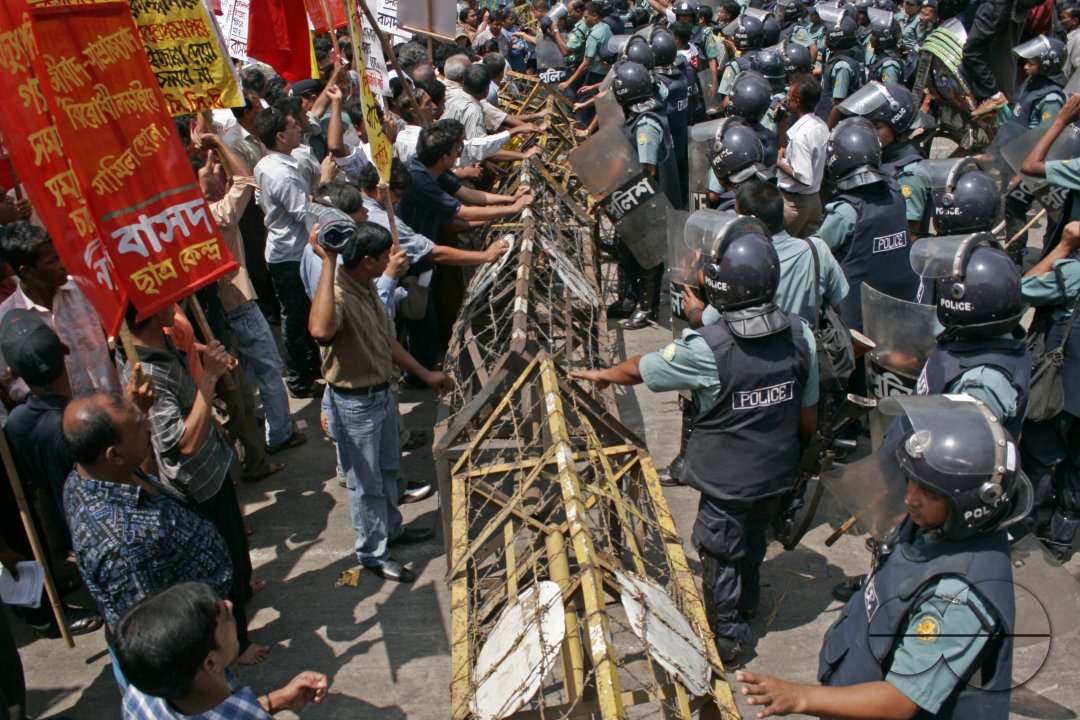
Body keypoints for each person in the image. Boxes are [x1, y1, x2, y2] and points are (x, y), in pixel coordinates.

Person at [573, 219, 818, 663]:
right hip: (777, 471)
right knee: (754, 538)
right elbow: (807, 414)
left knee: (719, 551)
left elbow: (643, 368)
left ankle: (726, 637)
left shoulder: (708, 348)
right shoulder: (801, 335)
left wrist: (604, 374)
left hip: (726, 481)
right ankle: (748, 602)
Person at [737, 395, 1025, 718]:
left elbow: (901, 699)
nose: (910, 498)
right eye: (911, 481)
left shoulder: (957, 599)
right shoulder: (933, 524)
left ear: (970, 506)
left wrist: (799, 697)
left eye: (929, 492)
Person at [120, 304, 267, 664]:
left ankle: (243, 592)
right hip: (195, 484)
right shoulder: (146, 371)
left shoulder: (165, 346)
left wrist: (210, 419)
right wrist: (209, 380)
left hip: (213, 469)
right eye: (165, 301)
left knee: (236, 548)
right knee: (220, 563)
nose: (174, 304)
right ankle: (237, 643)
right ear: (149, 313)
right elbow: (182, 443)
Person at [308, 221, 449, 583]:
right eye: (384, 256)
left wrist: (424, 373)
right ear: (367, 261)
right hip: (354, 405)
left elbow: (388, 342)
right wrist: (327, 261)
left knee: (389, 471)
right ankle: (373, 552)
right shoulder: (338, 293)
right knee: (366, 484)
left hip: (380, 394)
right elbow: (321, 332)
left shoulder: (367, 287)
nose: (391, 260)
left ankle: (392, 529)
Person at [62, 392, 234, 657]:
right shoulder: (123, 547)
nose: (148, 425)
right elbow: (157, 637)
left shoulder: (97, 473)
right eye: (138, 425)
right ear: (114, 454)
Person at [197, 131, 305, 470]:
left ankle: (250, 450)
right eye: (212, 173)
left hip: (213, 311)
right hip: (239, 302)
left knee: (238, 383)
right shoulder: (219, 215)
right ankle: (281, 433)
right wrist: (216, 142)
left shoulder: (186, 222)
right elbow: (244, 177)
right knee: (269, 368)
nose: (219, 173)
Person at [117, 582, 328, 719]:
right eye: (223, 617)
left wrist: (278, 700)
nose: (229, 605)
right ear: (210, 663)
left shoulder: (141, 694)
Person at [813, 117, 917, 333]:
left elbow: (814, 254)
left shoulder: (845, 212)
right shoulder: (896, 194)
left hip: (857, 319)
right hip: (902, 307)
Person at [1018, 221, 1080, 561]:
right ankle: (1062, 535)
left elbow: (1020, 289)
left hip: (1061, 384)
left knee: (1041, 454)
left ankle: (1026, 522)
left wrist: (1063, 247)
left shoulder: (1071, 273)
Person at [0, 223, 118, 402]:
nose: (63, 264)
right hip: (64, 422)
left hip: (112, 403)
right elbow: (11, 382)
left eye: (60, 255)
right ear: (27, 271)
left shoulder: (83, 289)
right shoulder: (7, 319)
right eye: (52, 261)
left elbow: (112, 335)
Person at [254, 106, 323, 399]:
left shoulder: (269, 164)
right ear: (280, 136)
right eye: (294, 125)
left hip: (285, 250)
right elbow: (304, 214)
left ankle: (307, 371)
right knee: (296, 318)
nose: (300, 128)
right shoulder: (283, 174)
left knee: (300, 314)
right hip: (292, 255)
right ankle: (299, 379)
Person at [608, 60, 682, 329]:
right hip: (634, 198)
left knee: (647, 256)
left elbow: (646, 169)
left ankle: (647, 308)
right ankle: (629, 298)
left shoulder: (646, 124)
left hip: (647, 200)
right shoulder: (646, 110)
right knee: (627, 250)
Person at [838, 82, 930, 239]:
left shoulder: (909, 173)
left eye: (876, 127)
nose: (869, 133)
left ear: (897, 126)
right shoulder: (884, 159)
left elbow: (910, 236)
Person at [776, 73, 829, 237]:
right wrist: (782, 124)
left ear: (797, 99)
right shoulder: (820, 125)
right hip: (814, 201)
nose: (787, 99)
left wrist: (778, 163)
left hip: (795, 206)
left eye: (790, 95)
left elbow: (804, 177)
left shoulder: (801, 137)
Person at [813, 3, 863, 127]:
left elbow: (838, 105)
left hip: (833, 123)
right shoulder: (839, 58)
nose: (825, 37)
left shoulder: (841, 65)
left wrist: (827, 132)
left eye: (827, 34)